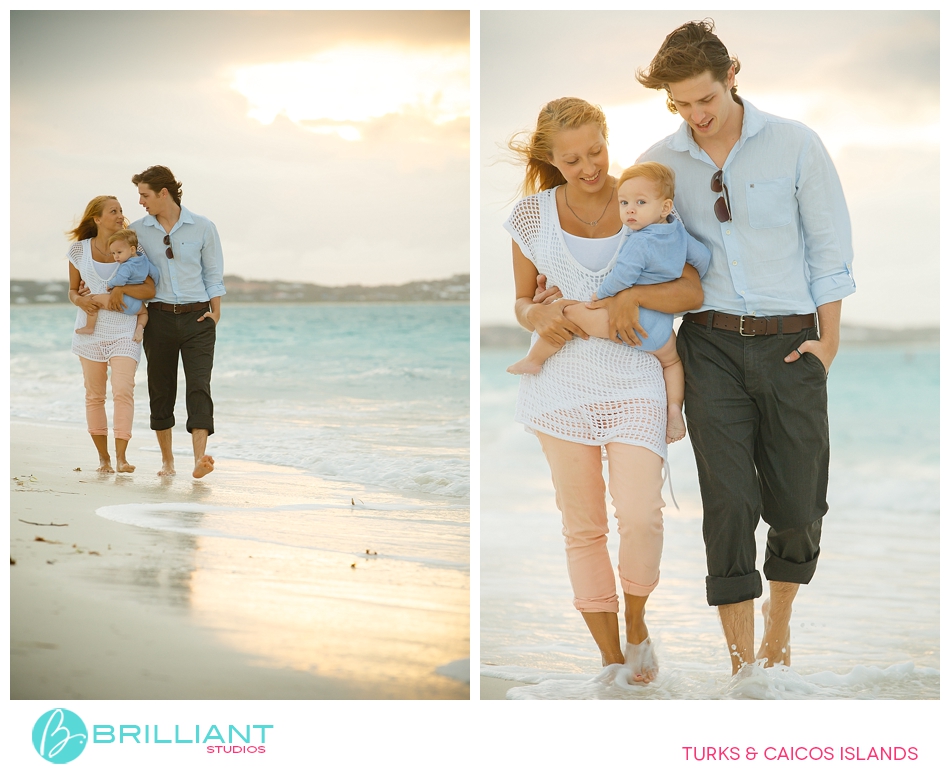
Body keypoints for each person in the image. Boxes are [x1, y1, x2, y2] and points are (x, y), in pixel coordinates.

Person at [629, 19, 856, 675]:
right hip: (710, 347)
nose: (696, 115)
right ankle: (741, 671)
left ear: (732, 76)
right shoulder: (661, 162)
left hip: (792, 345)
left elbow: (829, 251)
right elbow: (632, 241)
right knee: (728, 506)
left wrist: (828, 343)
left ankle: (777, 628)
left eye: (705, 98)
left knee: (799, 506)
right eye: (680, 104)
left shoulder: (795, 143)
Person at [506, 97, 703, 683]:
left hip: (637, 378)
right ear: (551, 160)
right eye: (572, 161)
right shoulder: (530, 217)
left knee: (641, 516)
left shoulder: (642, 196)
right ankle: (611, 659)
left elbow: (691, 290)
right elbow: (521, 302)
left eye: (596, 151)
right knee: (583, 528)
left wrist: (631, 297)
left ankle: (637, 624)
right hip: (559, 386)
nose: (589, 167)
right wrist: (536, 316)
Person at [507, 161, 711, 444]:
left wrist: (600, 296)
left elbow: (623, 276)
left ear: (665, 206)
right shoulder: (678, 232)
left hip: (628, 321)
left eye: (640, 203)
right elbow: (702, 258)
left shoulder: (639, 241)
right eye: (624, 203)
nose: (630, 210)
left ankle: (534, 360)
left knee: (567, 312)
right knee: (672, 362)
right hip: (661, 329)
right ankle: (675, 408)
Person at [129, 165, 226, 479]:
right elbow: (122, 264)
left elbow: (213, 274)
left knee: (199, 386)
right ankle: (167, 461)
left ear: (163, 193)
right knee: (161, 389)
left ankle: (199, 460)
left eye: (145, 195)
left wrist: (216, 312)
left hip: (198, 318)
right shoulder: (137, 231)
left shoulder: (203, 226)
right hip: (158, 318)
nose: (141, 201)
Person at [67, 196, 156, 473]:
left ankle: (121, 458)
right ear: (97, 218)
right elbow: (72, 291)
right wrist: (81, 301)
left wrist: (121, 290)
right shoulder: (79, 251)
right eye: (113, 211)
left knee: (123, 391)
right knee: (94, 396)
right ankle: (103, 459)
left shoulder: (133, 248)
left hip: (125, 331)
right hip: (90, 332)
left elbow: (150, 289)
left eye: (120, 211)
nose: (120, 215)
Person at [76, 229, 158, 343]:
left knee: (93, 300)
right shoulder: (144, 260)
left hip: (122, 300)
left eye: (119, 252)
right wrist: (155, 282)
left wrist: (110, 284)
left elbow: (120, 281)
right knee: (144, 313)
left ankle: (89, 327)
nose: (116, 257)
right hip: (137, 303)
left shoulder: (127, 266)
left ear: (132, 249)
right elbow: (155, 273)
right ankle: (140, 328)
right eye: (113, 253)